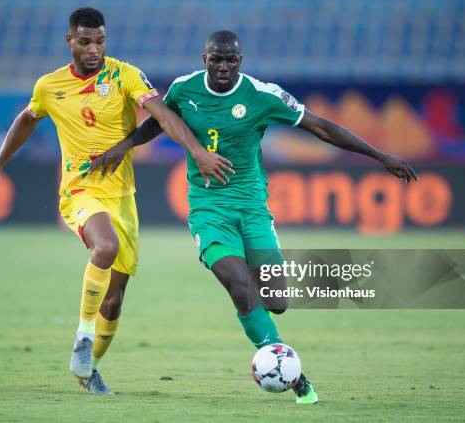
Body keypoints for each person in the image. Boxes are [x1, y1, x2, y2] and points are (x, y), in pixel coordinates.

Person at [90, 30, 418, 404]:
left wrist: (380, 156)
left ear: (241, 62)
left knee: (277, 300)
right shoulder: (184, 89)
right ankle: (293, 374)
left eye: (231, 60)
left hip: (252, 209)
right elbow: (160, 121)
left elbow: (321, 127)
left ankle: (276, 344)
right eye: (217, 59)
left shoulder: (262, 95)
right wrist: (125, 144)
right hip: (208, 210)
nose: (223, 66)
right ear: (205, 58)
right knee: (238, 285)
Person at [0, 8, 233, 396]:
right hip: (80, 190)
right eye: (85, 42)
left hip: (123, 197)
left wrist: (196, 150)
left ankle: (89, 368)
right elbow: (27, 119)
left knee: (113, 304)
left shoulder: (125, 75)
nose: (94, 49)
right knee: (105, 246)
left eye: (100, 41)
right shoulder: (50, 86)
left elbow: (162, 114)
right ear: (70, 42)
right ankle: (82, 335)